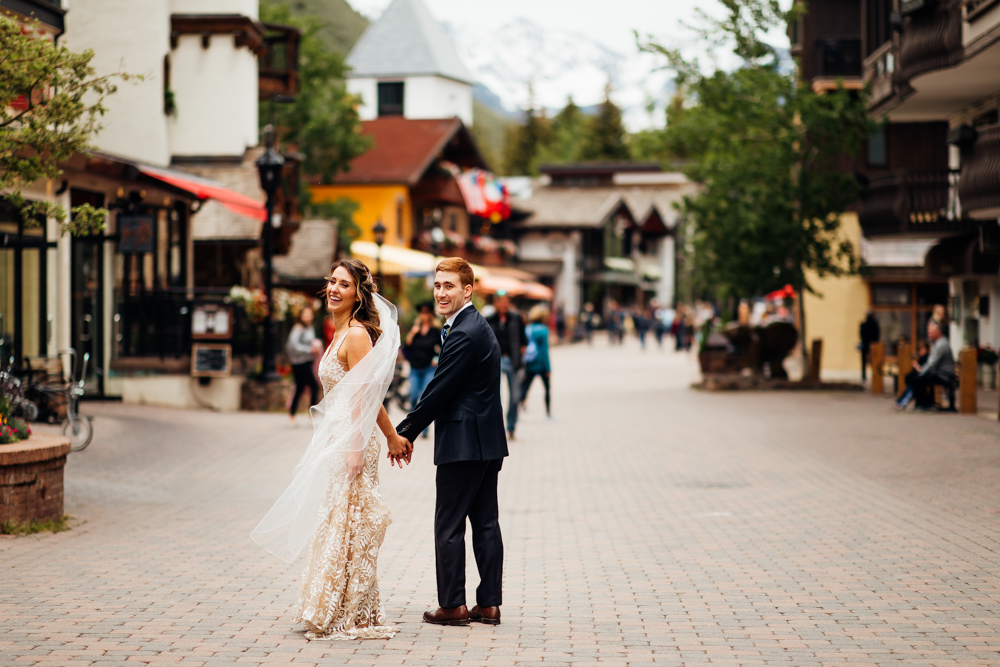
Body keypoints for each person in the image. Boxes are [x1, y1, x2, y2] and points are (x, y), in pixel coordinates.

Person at [252, 258, 413, 641]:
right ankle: (334, 604)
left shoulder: (356, 335)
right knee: (338, 521)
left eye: (345, 284)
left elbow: (365, 395)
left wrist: (363, 445)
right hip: (340, 435)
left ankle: (350, 610)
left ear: (359, 294)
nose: (335, 289)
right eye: (332, 282)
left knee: (350, 523)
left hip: (353, 441)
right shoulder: (339, 332)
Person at [395, 257, 508, 627]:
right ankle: (488, 604)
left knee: (449, 525)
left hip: (463, 443)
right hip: (486, 442)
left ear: (467, 290)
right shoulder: (477, 325)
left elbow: (440, 390)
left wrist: (405, 431)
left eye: (449, 286)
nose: (441, 293)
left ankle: (453, 605)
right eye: (438, 286)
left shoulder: (463, 332)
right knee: (486, 523)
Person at [486, 290, 527, 439]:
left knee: (515, 396)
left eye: (506, 301)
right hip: (496, 361)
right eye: (501, 301)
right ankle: (496, 427)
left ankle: (511, 425)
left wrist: (521, 356)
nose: (504, 304)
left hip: (513, 360)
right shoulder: (489, 319)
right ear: (495, 303)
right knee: (495, 396)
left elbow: (523, 340)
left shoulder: (516, 318)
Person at [896, 319, 955, 411]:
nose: (929, 334)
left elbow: (932, 364)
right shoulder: (937, 343)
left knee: (918, 379)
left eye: (931, 332)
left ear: (938, 332)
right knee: (911, 377)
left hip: (944, 374)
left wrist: (921, 371)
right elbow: (931, 362)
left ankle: (924, 404)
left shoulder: (941, 345)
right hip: (938, 372)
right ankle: (918, 402)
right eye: (928, 332)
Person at [404, 301, 441, 438]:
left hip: (428, 369)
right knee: (413, 396)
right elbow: (406, 348)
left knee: (424, 398)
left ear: (430, 314)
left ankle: (423, 429)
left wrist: (436, 358)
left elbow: (441, 349)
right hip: (415, 368)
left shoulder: (435, 332)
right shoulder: (416, 330)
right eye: (422, 312)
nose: (423, 314)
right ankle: (413, 423)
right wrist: (412, 333)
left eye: (426, 312)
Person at [286, 307, 322, 424]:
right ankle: (311, 414)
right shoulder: (298, 329)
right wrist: (309, 350)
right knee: (314, 386)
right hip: (299, 363)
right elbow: (293, 346)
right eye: (305, 315)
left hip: (307, 361)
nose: (308, 317)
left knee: (300, 388)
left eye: (309, 315)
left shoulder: (310, 328)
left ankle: (292, 415)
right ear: (301, 316)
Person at [519, 305, 552, 418]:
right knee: (547, 388)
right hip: (541, 364)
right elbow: (544, 351)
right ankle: (548, 413)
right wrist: (548, 368)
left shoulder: (528, 328)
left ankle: (518, 410)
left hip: (530, 362)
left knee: (525, 387)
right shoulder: (543, 330)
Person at [859, 312, 880, 382]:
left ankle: (864, 376)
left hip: (865, 344)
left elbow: (861, 334)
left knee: (864, 362)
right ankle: (875, 375)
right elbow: (877, 336)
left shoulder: (863, 324)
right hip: (873, 345)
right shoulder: (875, 324)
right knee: (874, 361)